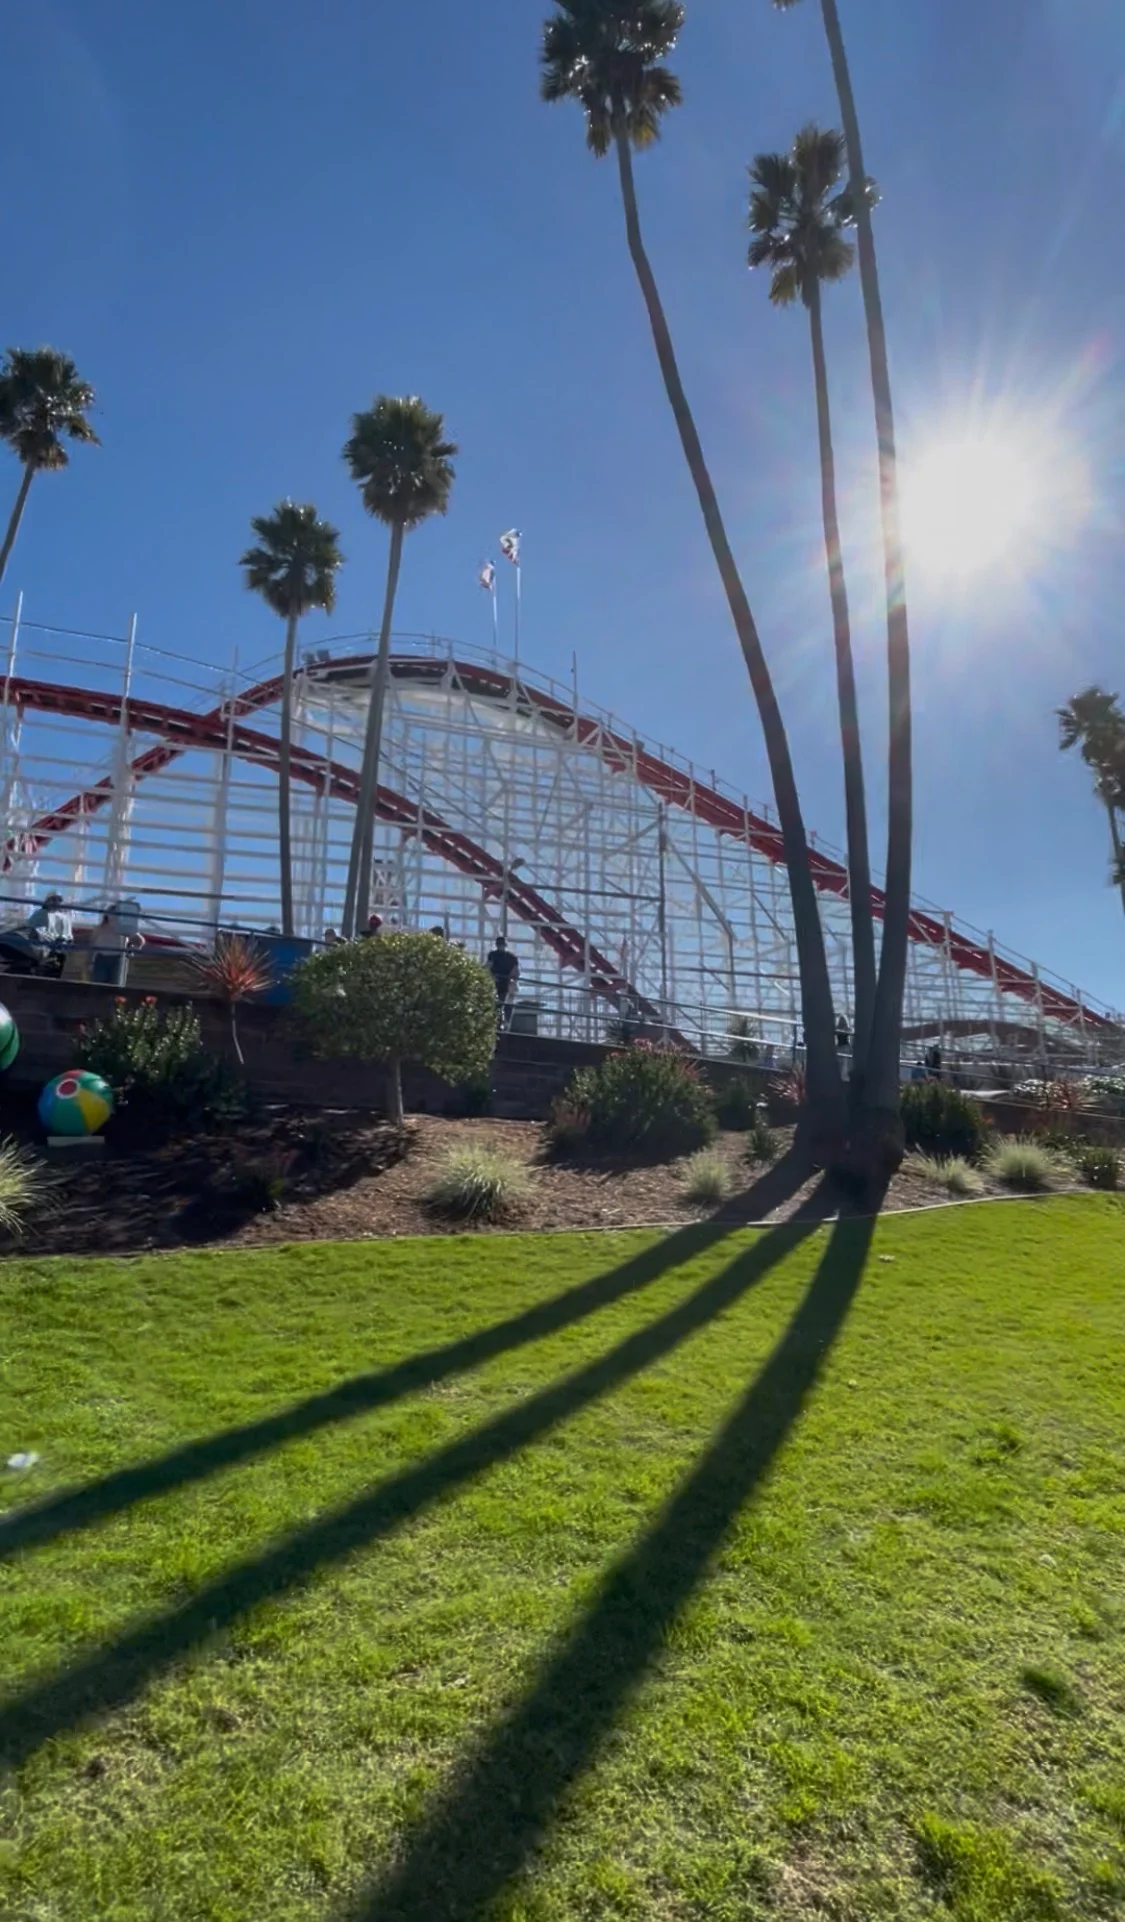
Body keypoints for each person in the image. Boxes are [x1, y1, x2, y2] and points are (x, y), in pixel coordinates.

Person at [90, 904, 145, 987]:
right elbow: (93, 944)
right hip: (101, 958)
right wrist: (91, 961)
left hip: (118, 958)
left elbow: (140, 941)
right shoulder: (100, 928)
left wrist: (133, 949)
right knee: (98, 985)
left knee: (115, 986)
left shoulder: (125, 928)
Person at [486, 934, 519, 1028]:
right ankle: (500, 1022)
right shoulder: (510, 957)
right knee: (501, 1003)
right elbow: (515, 971)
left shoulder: (495, 955)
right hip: (501, 982)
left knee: (500, 1003)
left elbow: (489, 966)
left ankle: (499, 1022)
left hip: (500, 982)